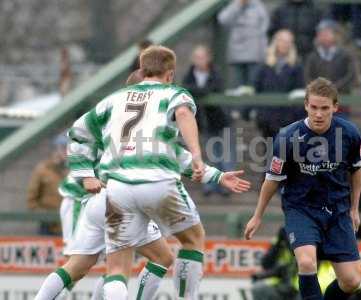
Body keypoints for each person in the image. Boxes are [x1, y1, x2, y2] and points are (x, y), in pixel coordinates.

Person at [67, 46, 250, 299]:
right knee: (193, 239)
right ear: (170, 74)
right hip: (158, 183)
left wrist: (86, 173)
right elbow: (184, 114)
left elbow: (78, 132)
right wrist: (198, 156)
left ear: (142, 70)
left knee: (118, 267)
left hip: (118, 189)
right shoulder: (172, 94)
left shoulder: (115, 99)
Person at [245, 77, 361, 300]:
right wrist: (257, 215)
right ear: (305, 105)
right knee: (306, 261)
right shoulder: (287, 137)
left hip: (338, 211)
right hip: (301, 209)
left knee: (351, 282)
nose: (318, 113)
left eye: (324, 108)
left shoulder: (349, 134)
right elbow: (272, 179)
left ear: (335, 107)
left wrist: (354, 208)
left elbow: (357, 170)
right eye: (313, 107)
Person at [182, 45, 233, 196]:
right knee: (210, 152)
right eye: (197, 57)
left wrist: (200, 92)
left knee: (223, 152)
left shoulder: (216, 72)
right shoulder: (190, 74)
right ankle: (211, 184)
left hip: (218, 118)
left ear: (208, 58)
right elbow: (186, 88)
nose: (199, 61)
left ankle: (226, 183)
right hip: (201, 119)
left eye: (202, 57)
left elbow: (214, 87)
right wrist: (202, 91)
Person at [254, 29, 305, 141]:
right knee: (268, 153)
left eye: (288, 41)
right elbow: (257, 87)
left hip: (288, 119)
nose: (284, 44)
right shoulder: (264, 65)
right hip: (266, 118)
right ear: (275, 42)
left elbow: (300, 91)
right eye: (282, 40)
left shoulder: (297, 66)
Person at [217, 0, 269, 86]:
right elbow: (223, 20)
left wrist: (262, 50)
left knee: (253, 86)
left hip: (254, 54)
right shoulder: (233, 5)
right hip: (237, 54)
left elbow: (264, 28)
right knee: (237, 86)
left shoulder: (258, 6)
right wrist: (238, 5)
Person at [27, 134, 69, 236]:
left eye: (68, 148)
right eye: (63, 148)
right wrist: (45, 216)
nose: (65, 152)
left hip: (69, 225)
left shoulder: (73, 170)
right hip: (48, 227)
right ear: (55, 149)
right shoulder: (42, 170)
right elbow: (31, 200)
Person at [305, 20, 355, 94]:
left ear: (335, 35)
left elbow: (350, 75)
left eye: (327, 34)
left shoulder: (345, 55)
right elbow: (308, 76)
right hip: (318, 98)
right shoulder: (312, 57)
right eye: (321, 34)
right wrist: (318, 88)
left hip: (341, 97)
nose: (324, 37)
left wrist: (334, 87)